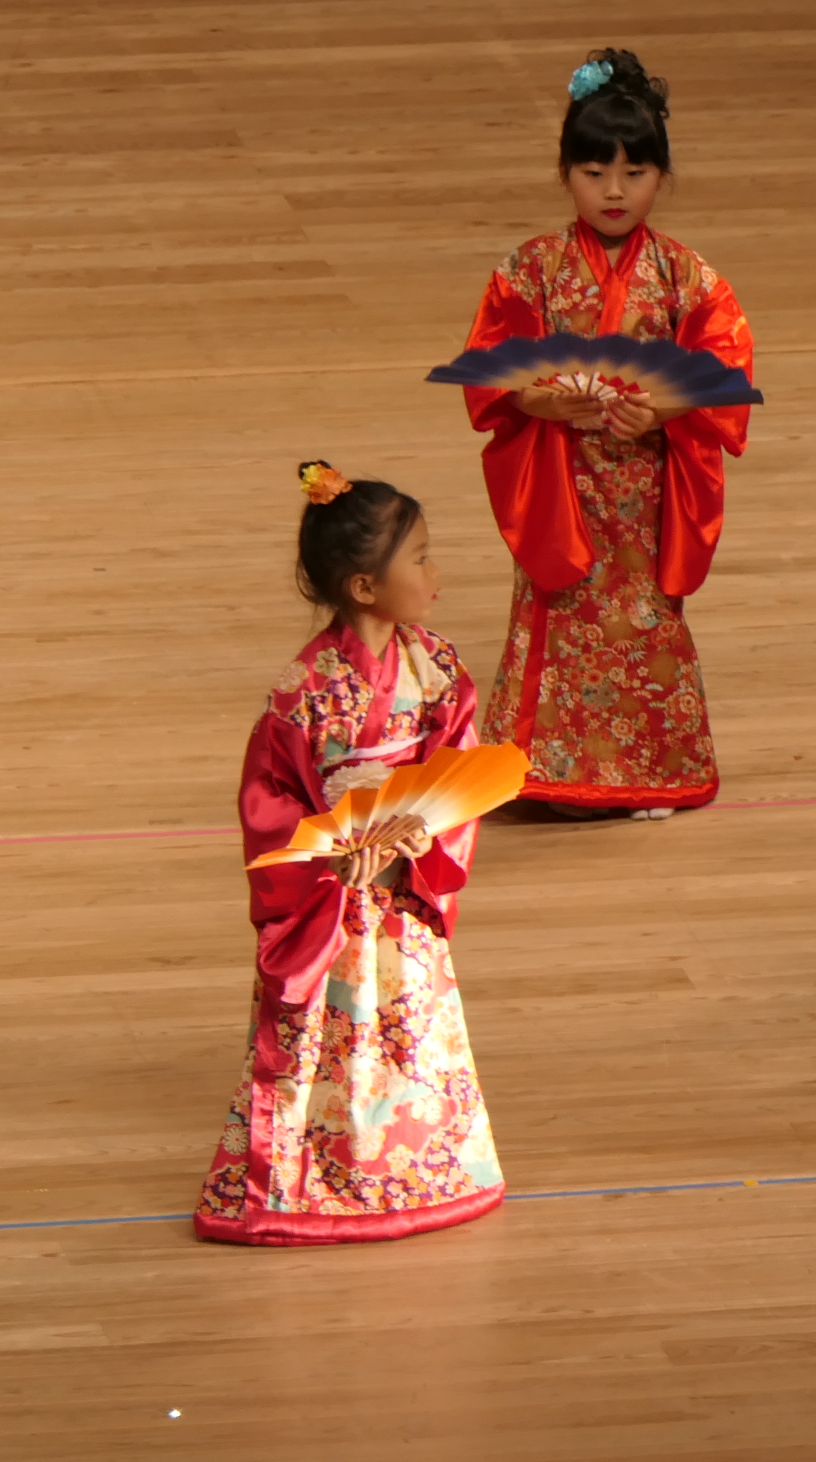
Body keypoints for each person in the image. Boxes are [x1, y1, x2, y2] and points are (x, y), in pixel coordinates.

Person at [195, 463, 504, 1243]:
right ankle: (307, 1182)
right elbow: (271, 802)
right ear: (365, 587)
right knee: (329, 1036)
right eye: (420, 558)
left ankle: (422, 1167)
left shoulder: (437, 669)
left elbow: (460, 768)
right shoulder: (305, 690)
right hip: (333, 896)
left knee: (410, 1029)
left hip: (404, 882)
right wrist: (331, 855)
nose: (436, 573)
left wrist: (421, 834)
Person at [458, 49, 755, 818]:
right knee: (558, 609)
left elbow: (723, 371)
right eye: (595, 173)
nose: (615, 191)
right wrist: (543, 401)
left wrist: (661, 410)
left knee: (647, 617)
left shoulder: (686, 278)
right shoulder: (532, 270)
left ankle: (651, 772)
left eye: (635, 172)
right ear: (567, 173)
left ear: (662, 175)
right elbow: (495, 371)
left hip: (648, 489)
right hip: (564, 479)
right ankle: (551, 771)